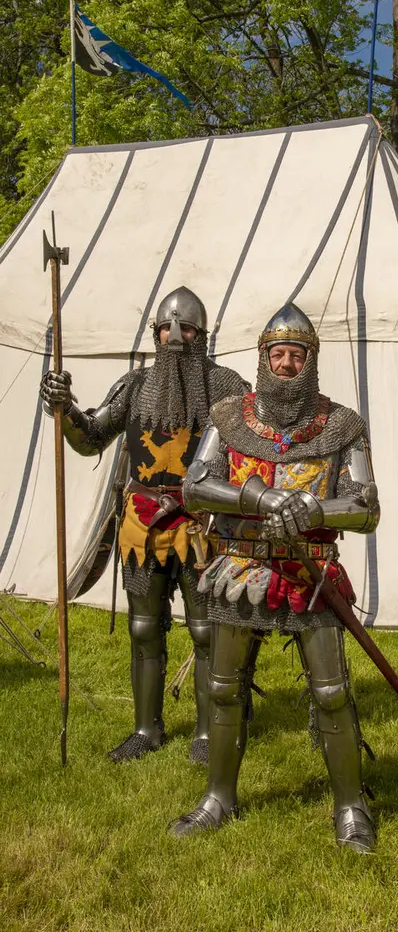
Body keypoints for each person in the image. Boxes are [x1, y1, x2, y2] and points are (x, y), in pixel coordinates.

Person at [169, 303, 380, 853]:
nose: (286, 364)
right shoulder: (229, 418)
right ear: (263, 359)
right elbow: (193, 488)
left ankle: (351, 807)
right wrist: (256, 496)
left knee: (331, 692)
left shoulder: (341, 425)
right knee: (222, 688)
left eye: (296, 355)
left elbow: (366, 507)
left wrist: (314, 511)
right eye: (277, 354)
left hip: (310, 571)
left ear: (311, 361)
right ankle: (219, 796)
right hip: (240, 564)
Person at [39, 287, 248, 764]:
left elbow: (251, 451)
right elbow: (91, 437)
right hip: (143, 525)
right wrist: (65, 407)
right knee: (142, 627)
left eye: (186, 328)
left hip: (201, 524)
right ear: (154, 333)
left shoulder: (226, 387)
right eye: (165, 328)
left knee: (205, 631)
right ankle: (145, 729)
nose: (175, 336)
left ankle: (204, 733)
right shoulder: (135, 387)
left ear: (202, 335)